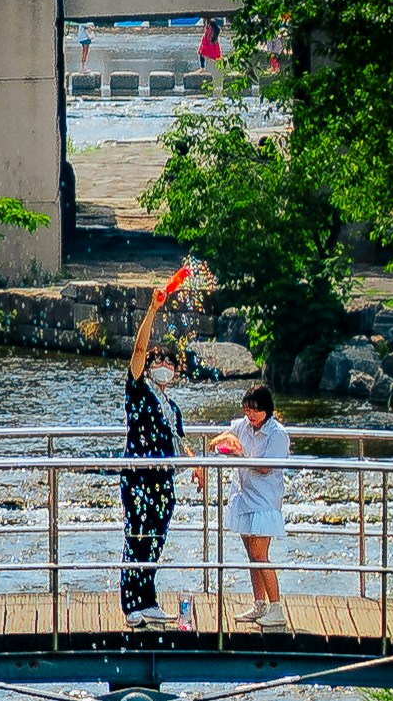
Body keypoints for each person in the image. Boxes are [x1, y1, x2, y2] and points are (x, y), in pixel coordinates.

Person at [120, 265, 204, 620]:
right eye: (160, 361)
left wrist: (196, 463)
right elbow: (139, 348)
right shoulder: (139, 390)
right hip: (139, 474)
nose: (165, 366)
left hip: (163, 478)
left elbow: (180, 440)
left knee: (156, 539)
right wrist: (154, 309)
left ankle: (149, 599)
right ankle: (132, 604)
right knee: (137, 535)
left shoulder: (172, 406)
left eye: (169, 362)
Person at [215, 381, 293, 628]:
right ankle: (259, 603)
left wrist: (240, 455)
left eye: (255, 410)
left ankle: (276, 607)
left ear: (267, 410)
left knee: (261, 554)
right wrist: (228, 441)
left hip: (265, 501)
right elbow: (218, 440)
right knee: (251, 555)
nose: (250, 415)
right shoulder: (243, 426)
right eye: (247, 410)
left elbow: (266, 466)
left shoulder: (277, 433)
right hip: (244, 496)